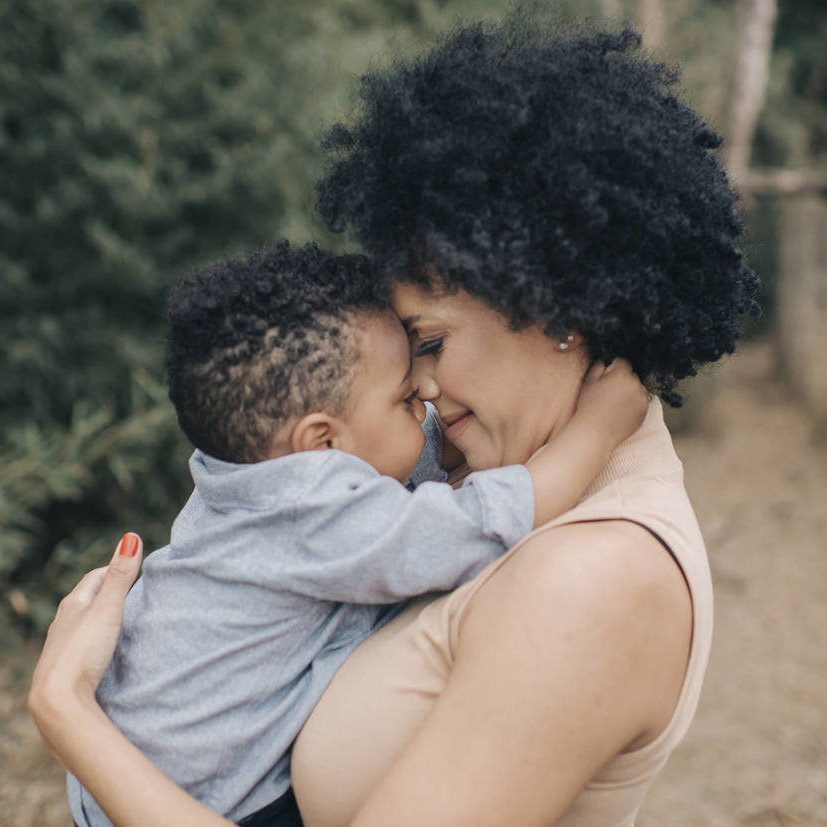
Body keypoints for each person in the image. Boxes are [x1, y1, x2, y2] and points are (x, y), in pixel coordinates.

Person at [30, 18, 759, 827]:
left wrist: (70, 714)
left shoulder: (593, 577)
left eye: (432, 343)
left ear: (557, 304)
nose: (424, 389)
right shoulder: (471, 466)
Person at [65, 241, 649, 826]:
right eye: (402, 398)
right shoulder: (311, 511)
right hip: (212, 798)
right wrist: (596, 429)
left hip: (123, 763)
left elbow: (381, 468)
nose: (424, 395)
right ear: (321, 445)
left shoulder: (250, 478)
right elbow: (476, 526)